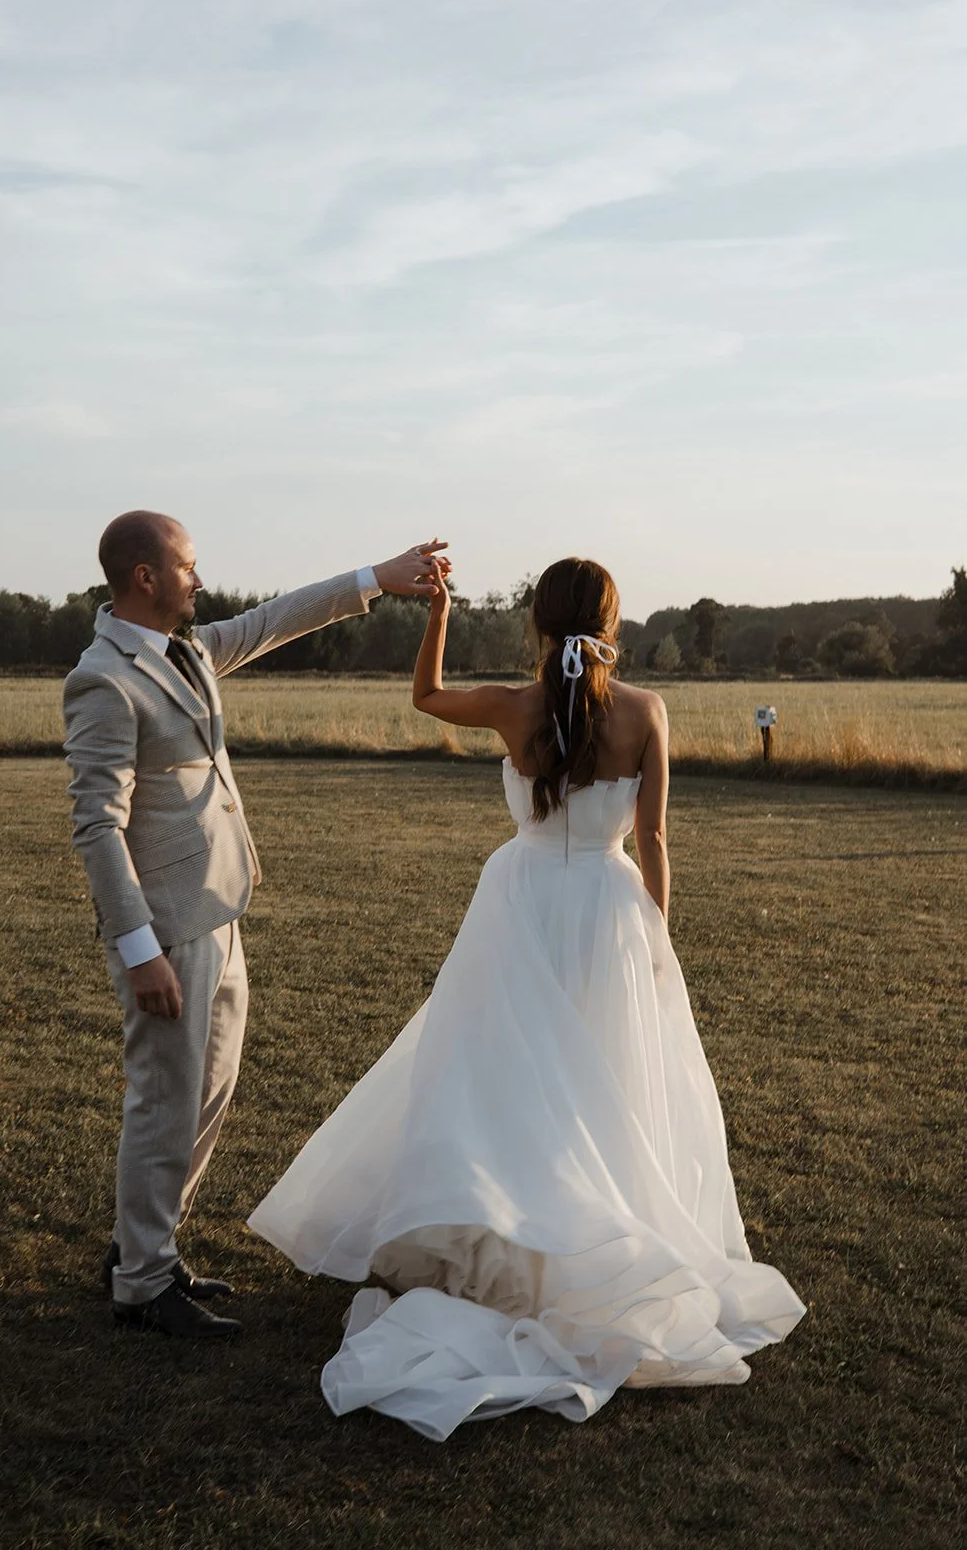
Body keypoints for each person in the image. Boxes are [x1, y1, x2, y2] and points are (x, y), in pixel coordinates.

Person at [248, 555, 805, 1437]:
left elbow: (426, 697)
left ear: (538, 624)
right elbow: (653, 834)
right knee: (607, 1082)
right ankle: (600, 1245)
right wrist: (654, 936)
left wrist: (437, 612)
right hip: (610, 912)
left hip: (521, 907)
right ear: (612, 622)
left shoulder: (515, 705)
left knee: (504, 1082)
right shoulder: (646, 711)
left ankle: (515, 1236)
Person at [63, 510, 449, 1340]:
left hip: (221, 907)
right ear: (144, 577)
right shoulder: (104, 680)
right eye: (188, 567)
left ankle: (147, 1249)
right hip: (165, 928)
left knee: (208, 1092)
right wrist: (139, 954)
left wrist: (374, 581)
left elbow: (274, 620)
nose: (199, 579)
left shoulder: (190, 651)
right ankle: (141, 1285)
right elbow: (97, 824)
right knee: (166, 1099)